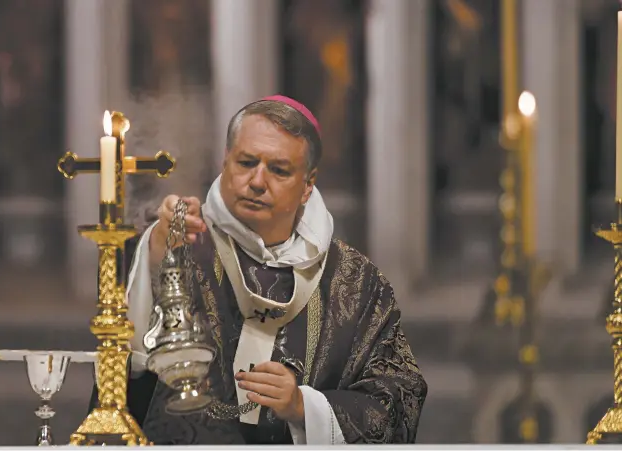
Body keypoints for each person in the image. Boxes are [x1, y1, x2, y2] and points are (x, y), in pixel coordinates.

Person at [103, 95, 427, 445]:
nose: (257, 181)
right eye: (246, 163)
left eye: (278, 170)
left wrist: (306, 407)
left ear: (307, 185)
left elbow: (399, 398)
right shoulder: (184, 244)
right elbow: (120, 352)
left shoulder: (355, 284)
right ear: (225, 161)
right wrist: (155, 251)